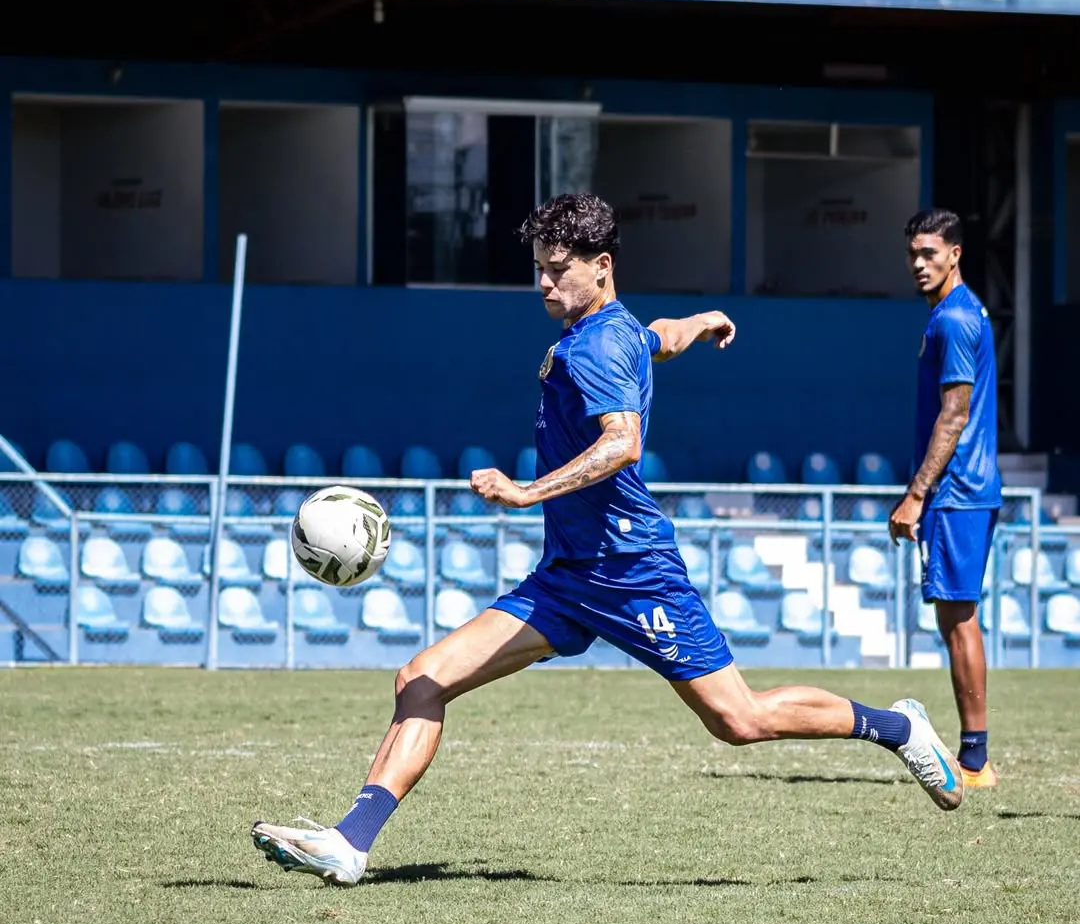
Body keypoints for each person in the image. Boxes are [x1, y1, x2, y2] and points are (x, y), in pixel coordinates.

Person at [252, 193, 963, 887]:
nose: (543, 282)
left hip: (633, 574)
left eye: (558, 268)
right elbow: (660, 336)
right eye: (538, 267)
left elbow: (621, 444)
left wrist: (526, 490)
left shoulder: (593, 346)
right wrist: (705, 318)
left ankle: (897, 728)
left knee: (740, 720)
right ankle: (350, 842)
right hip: (566, 578)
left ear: (601, 264)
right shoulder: (612, 329)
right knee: (421, 678)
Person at [889, 208, 1002, 789]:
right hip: (961, 492)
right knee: (955, 618)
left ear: (955, 253)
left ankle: (976, 762)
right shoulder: (956, 313)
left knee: (959, 620)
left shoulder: (955, 320)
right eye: (912, 254)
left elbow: (953, 415)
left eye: (929, 253)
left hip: (957, 492)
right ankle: (975, 753)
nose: (918, 263)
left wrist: (915, 496)